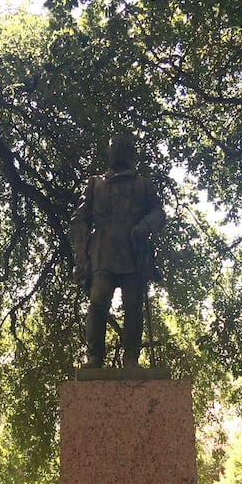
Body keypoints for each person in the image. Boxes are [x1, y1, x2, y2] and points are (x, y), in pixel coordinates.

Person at [70, 134, 166, 368]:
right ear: (109, 152)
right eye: (114, 147)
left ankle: (131, 357)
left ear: (131, 154)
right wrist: (80, 253)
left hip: (133, 251)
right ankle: (95, 356)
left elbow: (158, 213)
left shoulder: (143, 184)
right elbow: (80, 219)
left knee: (133, 304)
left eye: (123, 148)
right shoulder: (95, 183)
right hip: (102, 251)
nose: (118, 152)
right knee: (98, 301)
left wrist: (146, 225)